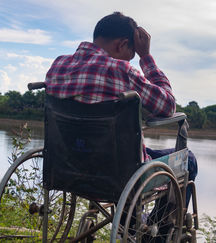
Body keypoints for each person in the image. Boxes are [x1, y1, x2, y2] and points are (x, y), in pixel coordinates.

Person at [45, 12, 197, 206]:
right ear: (121, 45)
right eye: (130, 56)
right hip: (118, 174)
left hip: (66, 169)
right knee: (188, 160)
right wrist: (146, 57)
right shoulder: (121, 71)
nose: (129, 61)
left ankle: (132, 223)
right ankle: (159, 233)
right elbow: (167, 105)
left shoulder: (58, 65)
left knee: (129, 152)